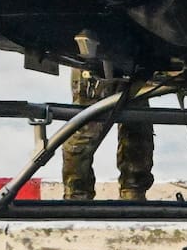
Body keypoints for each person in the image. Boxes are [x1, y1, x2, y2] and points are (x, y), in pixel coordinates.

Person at [62, 68, 154, 201]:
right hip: (95, 62)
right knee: (84, 129)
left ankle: (133, 191)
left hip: (139, 61)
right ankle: (77, 194)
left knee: (136, 126)